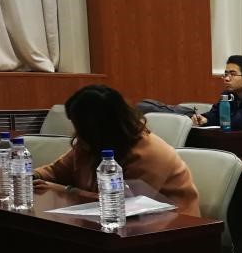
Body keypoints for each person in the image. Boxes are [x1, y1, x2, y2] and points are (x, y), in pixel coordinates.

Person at [35, 85, 200, 214]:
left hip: (171, 230)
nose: (77, 133)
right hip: (115, 227)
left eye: (80, 126)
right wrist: (32, 176)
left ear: (98, 127)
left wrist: (67, 191)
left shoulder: (149, 154)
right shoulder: (90, 144)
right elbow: (56, 171)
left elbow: (126, 205)